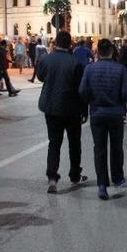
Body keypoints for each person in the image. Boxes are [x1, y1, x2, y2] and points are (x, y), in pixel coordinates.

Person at [37, 31, 88, 194]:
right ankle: (74, 174)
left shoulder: (46, 59)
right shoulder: (75, 63)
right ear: (70, 44)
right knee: (74, 143)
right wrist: (84, 109)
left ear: (55, 42)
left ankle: (52, 178)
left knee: (54, 143)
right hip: (71, 108)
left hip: (51, 107)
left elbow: (40, 77)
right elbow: (81, 89)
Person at [79, 39, 127, 200]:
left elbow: (82, 91)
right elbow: (125, 93)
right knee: (116, 147)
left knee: (99, 149)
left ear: (97, 52)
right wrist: (120, 104)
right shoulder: (120, 69)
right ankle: (118, 178)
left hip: (97, 114)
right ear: (112, 51)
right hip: (115, 114)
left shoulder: (89, 69)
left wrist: (91, 102)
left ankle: (102, 184)